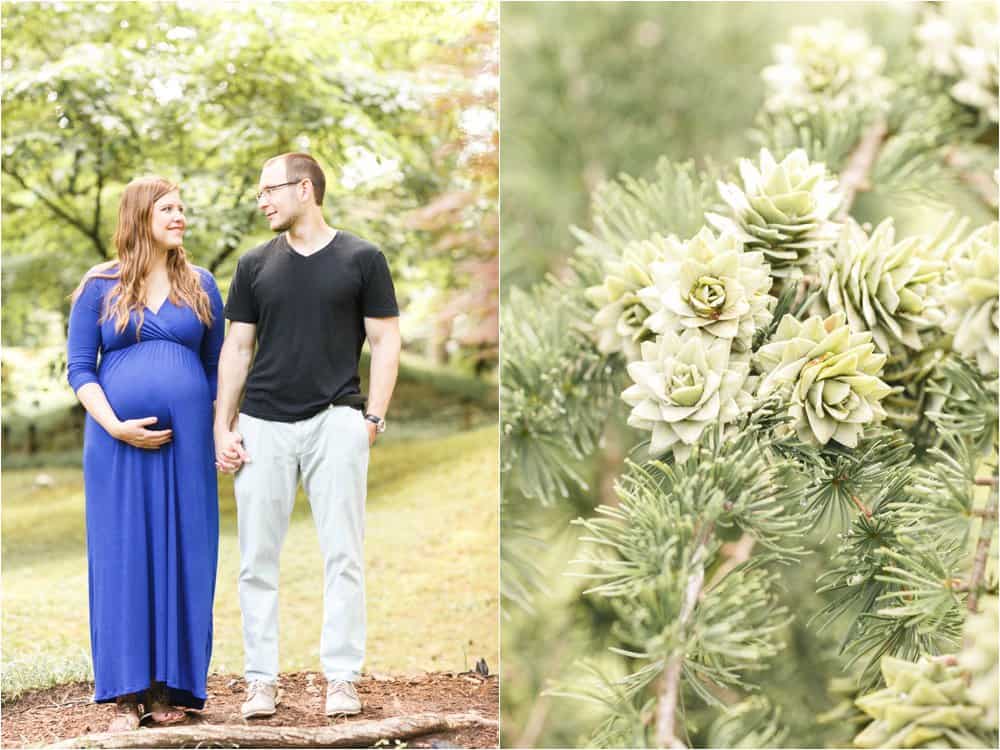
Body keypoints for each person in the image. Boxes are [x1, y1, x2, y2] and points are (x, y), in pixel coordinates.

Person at [214, 152, 401, 719]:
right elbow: (237, 348)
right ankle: (260, 682)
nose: (262, 201)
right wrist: (224, 424)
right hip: (264, 424)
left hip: (335, 420)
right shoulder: (252, 265)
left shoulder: (363, 258)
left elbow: (387, 341)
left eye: (269, 190)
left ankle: (341, 679)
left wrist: (372, 418)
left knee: (344, 555)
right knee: (256, 562)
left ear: (304, 189)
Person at [66, 176, 224, 732]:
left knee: (187, 554)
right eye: (168, 209)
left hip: (186, 450)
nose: (180, 216)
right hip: (116, 446)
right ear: (139, 216)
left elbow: (215, 370)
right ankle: (126, 695)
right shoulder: (99, 287)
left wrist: (214, 426)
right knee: (123, 555)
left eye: (182, 208)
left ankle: (170, 689)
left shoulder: (201, 286)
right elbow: (80, 368)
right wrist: (115, 426)